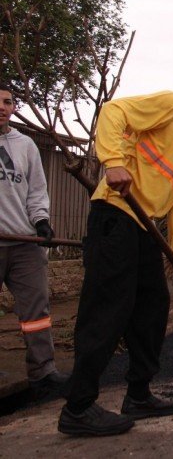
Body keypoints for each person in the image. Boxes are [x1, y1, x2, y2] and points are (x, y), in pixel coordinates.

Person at [58, 82, 173, 436]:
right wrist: (112, 162)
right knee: (108, 308)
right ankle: (78, 407)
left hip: (145, 228)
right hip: (115, 214)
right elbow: (112, 111)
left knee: (152, 309)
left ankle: (139, 395)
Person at [0, 83, 69, 395]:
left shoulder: (25, 145)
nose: (2, 106)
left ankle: (42, 370)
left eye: (7, 101)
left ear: (14, 107)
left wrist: (41, 222)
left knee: (36, 310)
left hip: (23, 242)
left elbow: (37, 190)